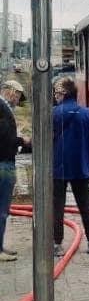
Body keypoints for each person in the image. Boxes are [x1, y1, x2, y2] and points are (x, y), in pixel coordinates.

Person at [53, 77, 89, 256]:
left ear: (64, 94)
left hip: (58, 167)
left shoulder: (53, 114)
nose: (55, 96)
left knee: (58, 206)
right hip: (81, 166)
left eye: (57, 93)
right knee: (85, 204)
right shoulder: (86, 113)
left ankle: (57, 244)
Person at [0, 79, 29, 261]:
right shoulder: (2, 109)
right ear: (9, 91)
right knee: (2, 209)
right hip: (4, 164)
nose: (18, 100)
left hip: (5, 162)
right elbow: (3, 138)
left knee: (3, 209)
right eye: (17, 95)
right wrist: (21, 141)